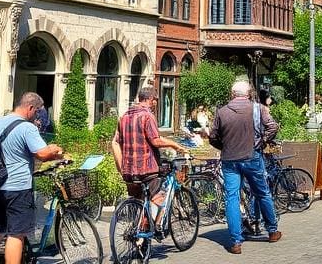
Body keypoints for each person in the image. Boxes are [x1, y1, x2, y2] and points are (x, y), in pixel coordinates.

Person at [0, 92, 64, 264]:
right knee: (16, 234)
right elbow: (41, 153)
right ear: (30, 108)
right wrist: (54, 150)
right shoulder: (27, 127)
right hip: (17, 188)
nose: (38, 115)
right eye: (38, 111)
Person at [208, 80, 282, 254]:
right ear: (248, 94)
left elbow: (213, 137)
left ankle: (235, 242)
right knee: (262, 192)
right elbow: (272, 126)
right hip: (252, 157)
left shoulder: (222, 112)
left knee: (232, 198)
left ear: (232, 94)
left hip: (230, 160)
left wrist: (224, 147)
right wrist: (261, 142)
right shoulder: (258, 108)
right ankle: (272, 231)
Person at [112, 85, 190, 224]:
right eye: (155, 100)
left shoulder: (124, 116)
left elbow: (116, 143)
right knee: (160, 194)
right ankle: (149, 227)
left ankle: (138, 232)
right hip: (146, 169)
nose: (155, 104)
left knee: (139, 200)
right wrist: (175, 145)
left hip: (129, 171)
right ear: (150, 99)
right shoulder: (147, 116)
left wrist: (121, 167)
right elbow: (155, 140)